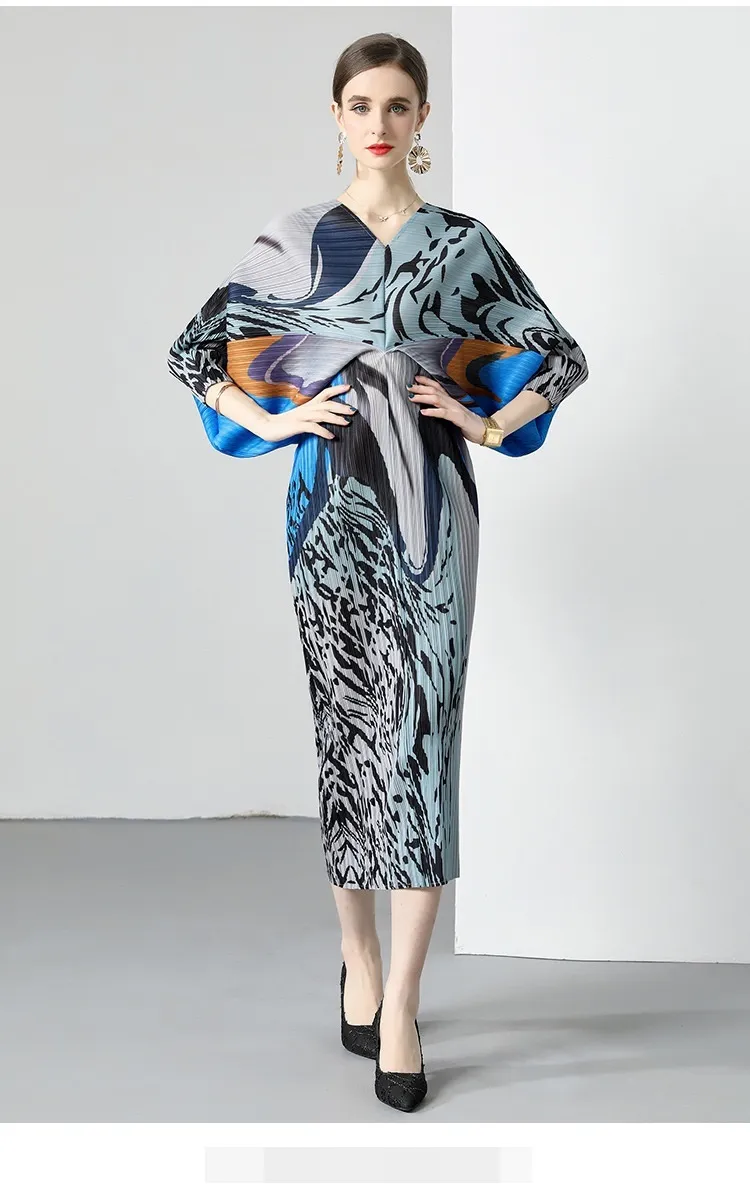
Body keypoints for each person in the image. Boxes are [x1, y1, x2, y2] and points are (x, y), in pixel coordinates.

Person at [166, 31, 589, 1112]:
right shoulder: (298, 240)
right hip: (327, 519)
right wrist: (271, 416)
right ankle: (356, 957)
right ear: (337, 115)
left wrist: (489, 423)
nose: (380, 123)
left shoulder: (462, 246)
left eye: (399, 105)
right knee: (351, 735)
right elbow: (194, 349)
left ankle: (401, 1001)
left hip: (433, 519)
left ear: (422, 118)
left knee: (422, 740)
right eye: (362, 104)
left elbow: (563, 353)